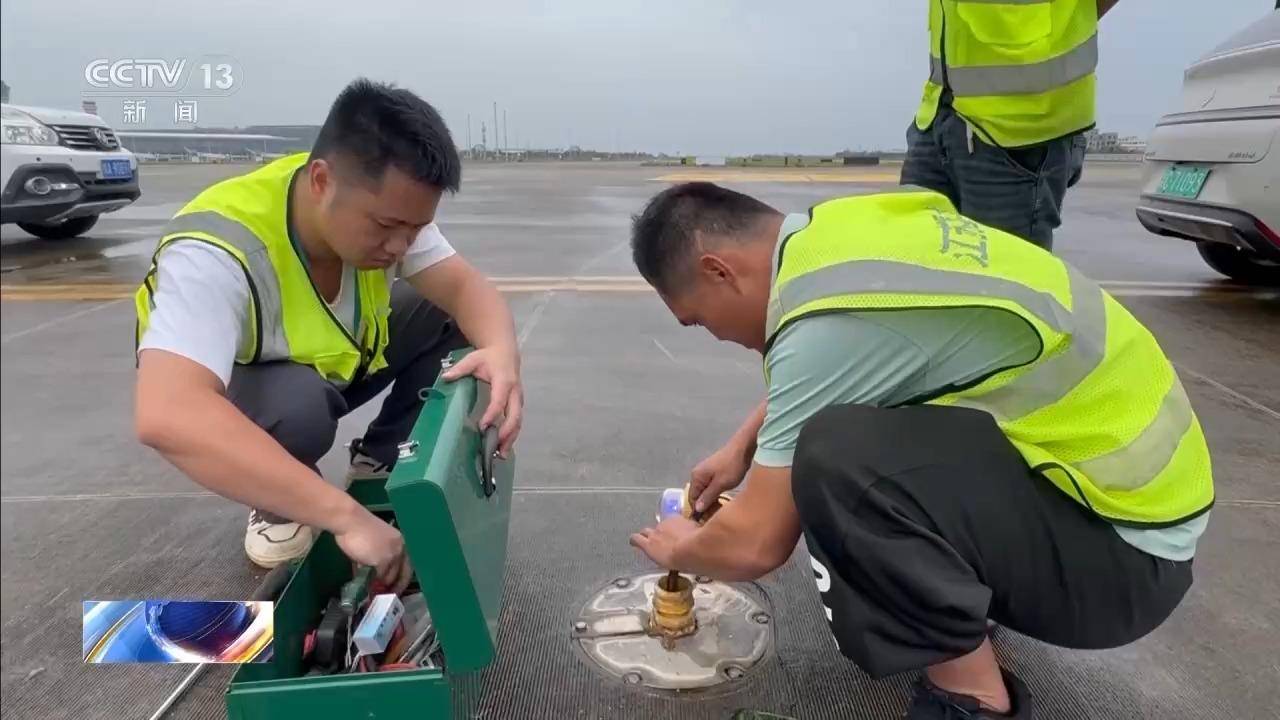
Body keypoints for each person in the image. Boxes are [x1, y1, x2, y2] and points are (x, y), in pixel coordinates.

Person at [627, 182, 1213, 719]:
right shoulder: (837, 234)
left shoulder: (826, 324)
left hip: (1118, 568)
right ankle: (959, 602)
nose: (719, 336)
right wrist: (742, 447)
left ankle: (972, 699)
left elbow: (758, 543)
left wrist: (689, 549)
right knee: (856, 427)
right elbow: (861, 353)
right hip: (1126, 510)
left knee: (835, 462)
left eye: (700, 321)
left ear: (719, 270)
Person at [132, 79, 524, 591]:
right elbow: (167, 414)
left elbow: (468, 290)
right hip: (253, 396)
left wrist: (503, 356)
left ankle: (379, 471)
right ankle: (280, 503)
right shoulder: (217, 248)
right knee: (299, 408)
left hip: (336, 365)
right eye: (387, 226)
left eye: (415, 228)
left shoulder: (386, 208)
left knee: (446, 318)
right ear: (321, 180)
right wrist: (343, 518)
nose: (401, 245)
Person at [900, 0, 1121, 251]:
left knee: (1007, 280)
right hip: (940, 112)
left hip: (1019, 127)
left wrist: (1054, 29)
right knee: (917, 268)